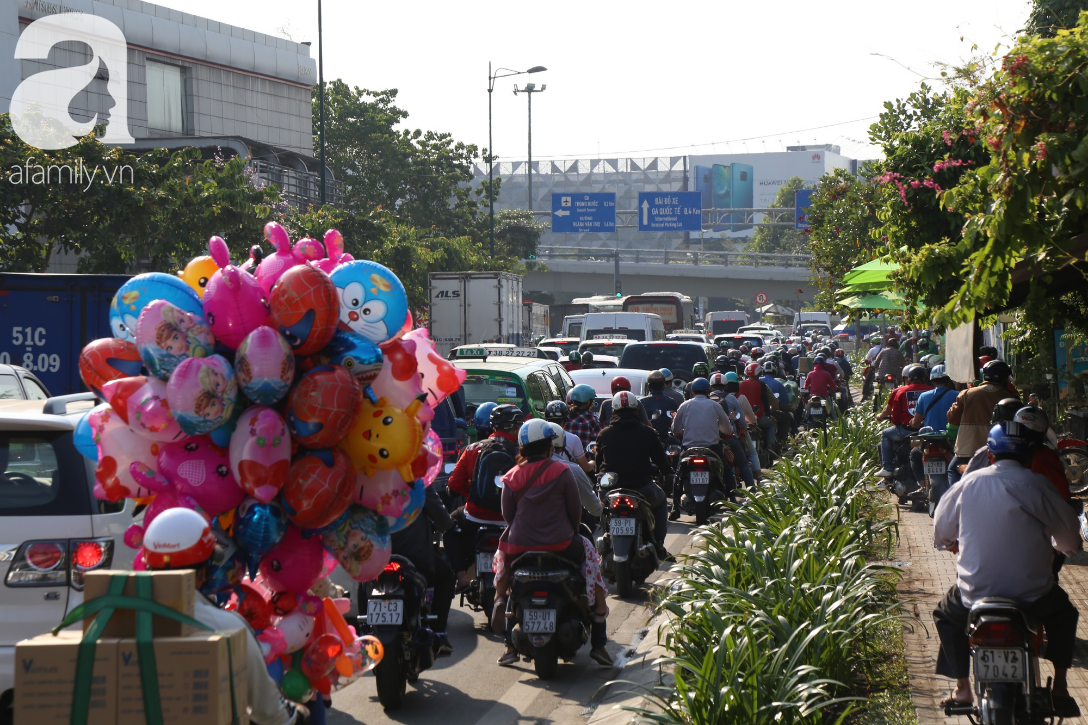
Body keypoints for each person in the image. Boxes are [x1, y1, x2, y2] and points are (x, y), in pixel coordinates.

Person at [931, 421, 1081, 713]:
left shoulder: (968, 484)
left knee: (945, 615)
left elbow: (941, 533)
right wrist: (1061, 547)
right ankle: (1060, 689)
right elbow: (1070, 541)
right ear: (1029, 456)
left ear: (990, 455)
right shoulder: (1038, 485)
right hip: (1033, 596)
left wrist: (952, 542)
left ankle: (963, 689)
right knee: (1065, 615)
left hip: (974, 595)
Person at [142, 509, 310, 725]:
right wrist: (297, 714)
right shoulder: (227, 626)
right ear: (205, 572)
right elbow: (268, 710)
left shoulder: (114, 621)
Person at [491, 420, 613, 667]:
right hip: (561, 544)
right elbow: (574, 512)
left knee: (504, 560)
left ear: (523, 447)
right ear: (549, 446)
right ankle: (599, 637)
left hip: (520, 547)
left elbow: (508, 516)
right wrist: (566, 530)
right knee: (591, 561)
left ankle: (501, 605)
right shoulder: (562, 471)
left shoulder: (512, 475)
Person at [446, 404, 523, 591]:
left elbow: (454, 485)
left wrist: (474, 493)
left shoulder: (472, 449)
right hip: (510, 521)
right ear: (515, 427)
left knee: (449, 528)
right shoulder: (522, 454)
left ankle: (461, 576)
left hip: (474, 516)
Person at [596, 390, 674, 546]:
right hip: (642, 488)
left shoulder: (604, 434)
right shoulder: (648, 433)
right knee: (661, 503)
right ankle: (659, 544)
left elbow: (599, 464)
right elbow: (661, 461)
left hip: (609, 489)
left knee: (601, 509)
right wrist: (668, 473)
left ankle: (605, 532)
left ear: (613, 411)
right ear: (636, 411)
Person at [389, 484, 455, 655]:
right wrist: (449, 524)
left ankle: (360, 631)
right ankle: (438, 635)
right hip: (416, 557)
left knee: (363, 584)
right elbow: (442, 519)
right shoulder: (418, 482)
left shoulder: (368, 480)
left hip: (377, 557)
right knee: (446, 577)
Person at [946, 360, 1019, 485]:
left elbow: (952, 419)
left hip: (968, 450)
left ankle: (955, 501)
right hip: (999, 450)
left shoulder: (967, 394)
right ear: (1004, 378)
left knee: (953, 470)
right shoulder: (1011, 397)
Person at [671, 377, 737, 516]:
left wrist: (681, 431)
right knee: (725, 470)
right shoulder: (715, 405)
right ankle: (732, 499)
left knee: (678, 475)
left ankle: (674, 507)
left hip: (688, 449)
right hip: (711, 447)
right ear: (708, 391)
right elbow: (727, 429)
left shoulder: (685, 405)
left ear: (692, 391)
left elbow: (675, 428)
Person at [876, 364, 933, 478]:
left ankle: (887, 467)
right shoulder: (932, 391)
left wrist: (895, 422)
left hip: (906, 430)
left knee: (885, 434)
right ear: (924, 378)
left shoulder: (900, 391)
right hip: (928, 431)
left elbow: (895, 415)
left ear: (908, 378)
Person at [909, 364, 957, 490]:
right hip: (951, 440)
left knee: (914, 454)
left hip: (929, 440)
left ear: (932, 380)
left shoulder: (924, 396)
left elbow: (916, 422)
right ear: (949, 379)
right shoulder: (958, 395)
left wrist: (912, 423)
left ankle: (922, 485)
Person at [708, 373, 756, 490]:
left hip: (709, 440)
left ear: (711, 387)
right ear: (725, 386)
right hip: (729, 438)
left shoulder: (706, 400)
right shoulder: (731, 399)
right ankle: (752, 490)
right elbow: (743, 422)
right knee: (743, 463)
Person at [547, 422, 603, 519]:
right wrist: (599, 508)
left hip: (522, 532)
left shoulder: (515, 472)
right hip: (559, 531)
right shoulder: (571, 469)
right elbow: (593, 507)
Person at [724, 373, 763, 481]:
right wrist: (750, 425)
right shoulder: (739, 398)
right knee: (751, 453)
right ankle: (757, 480)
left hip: (718, 436)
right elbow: (747, 419)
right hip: (737, 434)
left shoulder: (714, 398)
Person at [544, 400, 593, 473]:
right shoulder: (573, 438)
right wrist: (593, 463)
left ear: (546, 420)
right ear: (566, 419)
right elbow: (585, 468)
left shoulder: (537, 437)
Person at [739, 363, 778, 452]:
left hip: (743, 419)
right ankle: (769, 447)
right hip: (758, 418)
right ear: (759, 373)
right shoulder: (761, 385)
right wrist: (768, 415)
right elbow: (765, 401)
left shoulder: (740, 384)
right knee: (772, 424)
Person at [640, 369, 680, 445]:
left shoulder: (641, 402)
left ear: (649, 386)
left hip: (645, 440)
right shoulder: (671, 402)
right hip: (665, 438)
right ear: (663, 385)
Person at [564, 384, 602, 450]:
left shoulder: (565, 416)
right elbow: (599, 442)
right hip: (587, 459)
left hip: (563, 459)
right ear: (588, 402)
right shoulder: (592, 419)